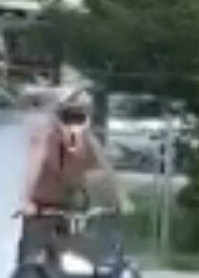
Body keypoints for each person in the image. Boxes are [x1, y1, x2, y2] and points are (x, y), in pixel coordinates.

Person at [16, 86, 133, 263]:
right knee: (32, 258)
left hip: (68, 208)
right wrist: (26, 201)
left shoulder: (87, 141)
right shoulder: (45, 139)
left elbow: (107, 170)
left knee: (78, 255)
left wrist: (121, 199)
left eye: (79, 117)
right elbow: (33, 168)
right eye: (68, 117)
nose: (73, 124)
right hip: (40, 210)